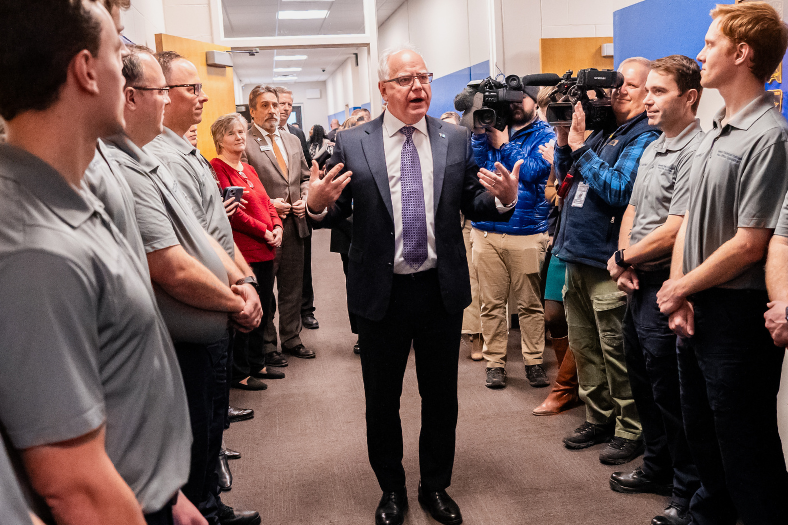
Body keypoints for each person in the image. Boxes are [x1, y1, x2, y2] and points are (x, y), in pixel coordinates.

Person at [0, 2, 196, 524]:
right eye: (117, 51)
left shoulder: (71, 193)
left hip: (141, 491)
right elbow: (73, 486)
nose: (127, 76)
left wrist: (167, 491)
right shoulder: (34, 246)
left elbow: (112, 374)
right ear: (86, 71)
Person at [307, 45, 518, 525]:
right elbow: (336, 211)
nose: (418, 86)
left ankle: (435, 486)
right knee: (381, 400)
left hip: (438, 291)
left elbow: (472, 201)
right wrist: (317, 204)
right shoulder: (354, 141)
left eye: (423, 77)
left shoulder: (455, 139)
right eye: (405, 80)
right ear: (384, 90)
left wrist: (502, 199)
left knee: (441, 397)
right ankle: (392, 490)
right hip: (381, 292)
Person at [111, 47, 261, 525]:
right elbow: (170, 266)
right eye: (183, 89)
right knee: (196, 439)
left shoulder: (165, 154)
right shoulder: (138, 162)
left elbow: (204, 234)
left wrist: (244, 280)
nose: (200, 98)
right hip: (184, 334)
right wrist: (235, 299)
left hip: (210, 321)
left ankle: (210, 510)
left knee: (210, 430)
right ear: (134, 96)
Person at [656, 3, 788, 523]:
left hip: (737, 314)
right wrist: (679, 292)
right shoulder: (714, 129)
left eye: (710, 44)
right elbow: (687, 221)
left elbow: (751, 242)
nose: (700, 53)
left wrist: (680, 287)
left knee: (745, 447)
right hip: (697, 304)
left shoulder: (770, 137)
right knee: (703, 435)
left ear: (742, 53)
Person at [605, 55, 703, 525]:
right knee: (643, 382)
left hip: (667, 283)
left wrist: (628, 258)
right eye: (648, 92)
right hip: (637, 281)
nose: (646, 99)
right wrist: (623, 260)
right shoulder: (653, 146)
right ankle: (658, 466)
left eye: (658, 92)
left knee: (674, 394)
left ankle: (686, 491)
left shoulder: (695, 151)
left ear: (690, 97)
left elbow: (674, 229)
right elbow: (632, 211)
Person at [552, 57, 660, 464]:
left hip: (606, 263)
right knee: (585, 348)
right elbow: (568, 181)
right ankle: (598, 418)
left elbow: (619, 190)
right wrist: (566, 143)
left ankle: (630, 428)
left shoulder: (643, 137)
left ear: (648, 90)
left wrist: (580, 148)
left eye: (629, 85)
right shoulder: (602, 133)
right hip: (576, 255)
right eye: (617, 84)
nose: (618, 91)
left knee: (616, 353)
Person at [471, 86, 555, 389]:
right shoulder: (493, 125)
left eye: (522, 99)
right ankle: (495, 362)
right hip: (487, 229)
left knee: (530, 304)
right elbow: (476, 167)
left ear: (534, 100)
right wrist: (481, 134)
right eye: (510, 100)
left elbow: (535, 171)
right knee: (490, 304)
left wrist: (505, 145)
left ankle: (534, 361)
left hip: (527, 232)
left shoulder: (547, 133)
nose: (515, 105)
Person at [210, 112, 285, 392]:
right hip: (245, 253)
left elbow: (266, 202)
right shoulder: (218, 167)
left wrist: (277, 225)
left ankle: (258, 363)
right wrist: (264, 231)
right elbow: (235, 214)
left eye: (242, 132)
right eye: (232, 133)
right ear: (220, 139)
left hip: (266, 249)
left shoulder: (248, 168)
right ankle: (240, 372)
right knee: (245, 312)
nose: (240, 137)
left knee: (264, 309)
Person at [244, 85, 315, 363]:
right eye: (265, 105)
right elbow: (242, 185)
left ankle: (291, 338)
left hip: (295, 225)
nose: (273, 110)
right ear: (252, 111)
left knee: (292, 287)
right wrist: (269, 204)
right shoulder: (244, 142)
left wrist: (305, 198)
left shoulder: (292, 140)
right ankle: (267, 344)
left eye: (275, 105)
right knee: (265, 290)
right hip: (263, 229)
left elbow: (306, 177)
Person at [276, 86, 319, 330]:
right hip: (273, 212)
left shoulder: (296, 134)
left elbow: (305, 171)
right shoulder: (253, 137)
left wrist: (306, 197)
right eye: (281, 103)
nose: (284, 108)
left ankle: (306, 310)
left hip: (299, 212)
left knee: (303, 267)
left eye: (289, 105)